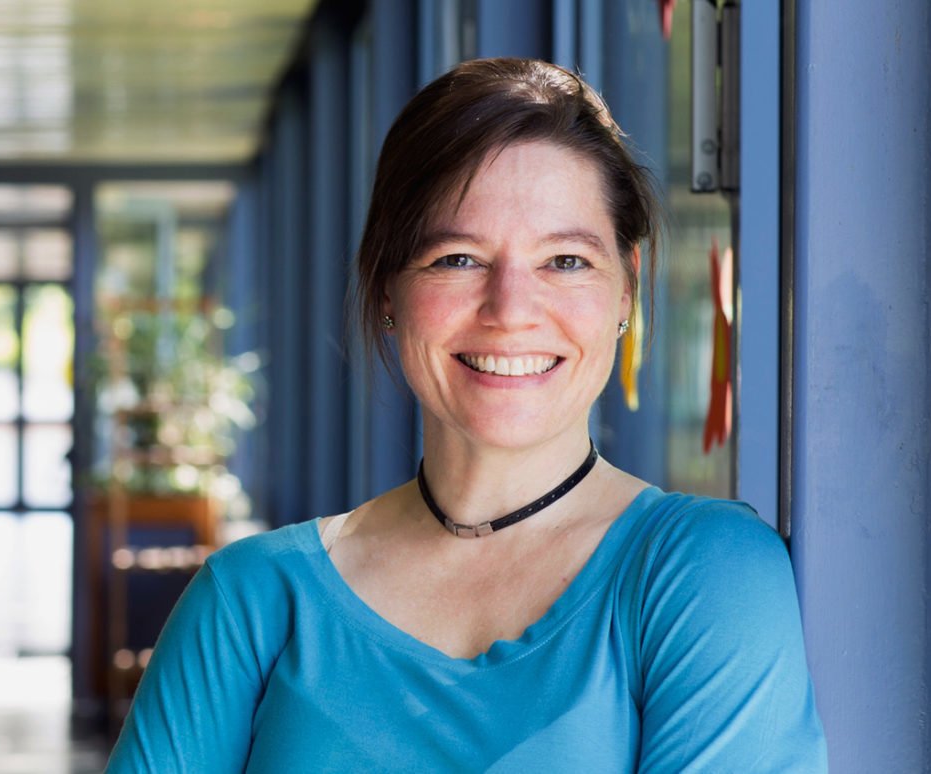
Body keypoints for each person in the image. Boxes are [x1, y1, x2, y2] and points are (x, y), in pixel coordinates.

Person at [105, 58, 824, 771]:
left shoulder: (701, 575)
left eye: (566, 261)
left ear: (626, 294)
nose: (510, 311)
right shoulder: (252, 601)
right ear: (387, 293)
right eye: (457, 259)